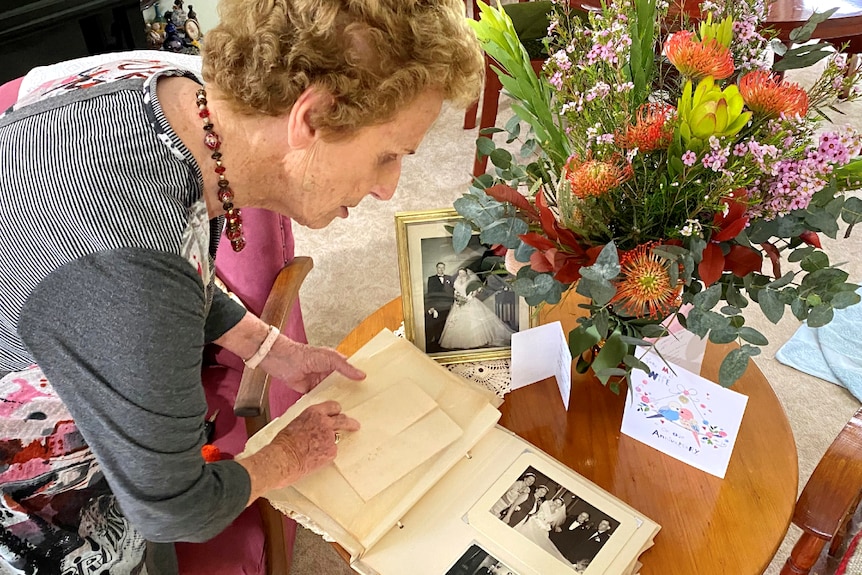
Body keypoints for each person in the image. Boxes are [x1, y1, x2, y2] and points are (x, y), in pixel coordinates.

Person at [0, 0, 483, 572]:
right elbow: (176, 510)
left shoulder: (167, 85)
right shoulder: (130, 269)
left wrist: (270, 347)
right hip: (40, 504)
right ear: (312, 116)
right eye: (388, 155)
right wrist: (284, 456)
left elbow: (177, 264)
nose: (388, 187)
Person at [439, 268, 515, 350]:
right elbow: (456, 291)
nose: (461, 275)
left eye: (462, 273)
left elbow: (474, 292)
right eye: (459, 273)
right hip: (459, 303)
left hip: (470, 301)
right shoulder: (457, 280)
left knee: (473, 320)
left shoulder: (471, 280)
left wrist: (468, 298)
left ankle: (475, 341)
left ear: (466, 273)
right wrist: (457, 297)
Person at [513, 497, 570, 564]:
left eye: (558, 504)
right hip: (535, 522)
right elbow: (538, 514)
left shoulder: (557, 513)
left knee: (539, 541)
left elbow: (551, 522)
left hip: (543, 527)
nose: (556, 504)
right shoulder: (545, 505)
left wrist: (547, 525)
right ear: (553, 501)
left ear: (560, 506)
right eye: (556, 502)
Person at [425, 262, 455, 352]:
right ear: (436, 268)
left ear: (444, 268)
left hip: (447, 304)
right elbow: (430, 293)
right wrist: (432, 307)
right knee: (437, 323)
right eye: (439, 268)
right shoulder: (431, 279)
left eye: (442, 268)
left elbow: (452, 291)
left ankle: (444, 344)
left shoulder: (449, 278)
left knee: (446, 323)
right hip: (437, 305)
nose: (441, 269)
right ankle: (436, 344)